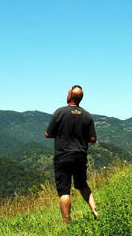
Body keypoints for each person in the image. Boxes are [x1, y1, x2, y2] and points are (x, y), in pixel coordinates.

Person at [45, 85, 99, 223]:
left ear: (69, 96)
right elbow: (93, 139)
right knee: (82, 185)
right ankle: (95, 210)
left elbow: (47, 133)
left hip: (63, 156)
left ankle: (67, 223)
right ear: (80, 98)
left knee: (64, 191)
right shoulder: (87, 115)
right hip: (80, 155)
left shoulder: (60, 112)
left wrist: (61, 135)